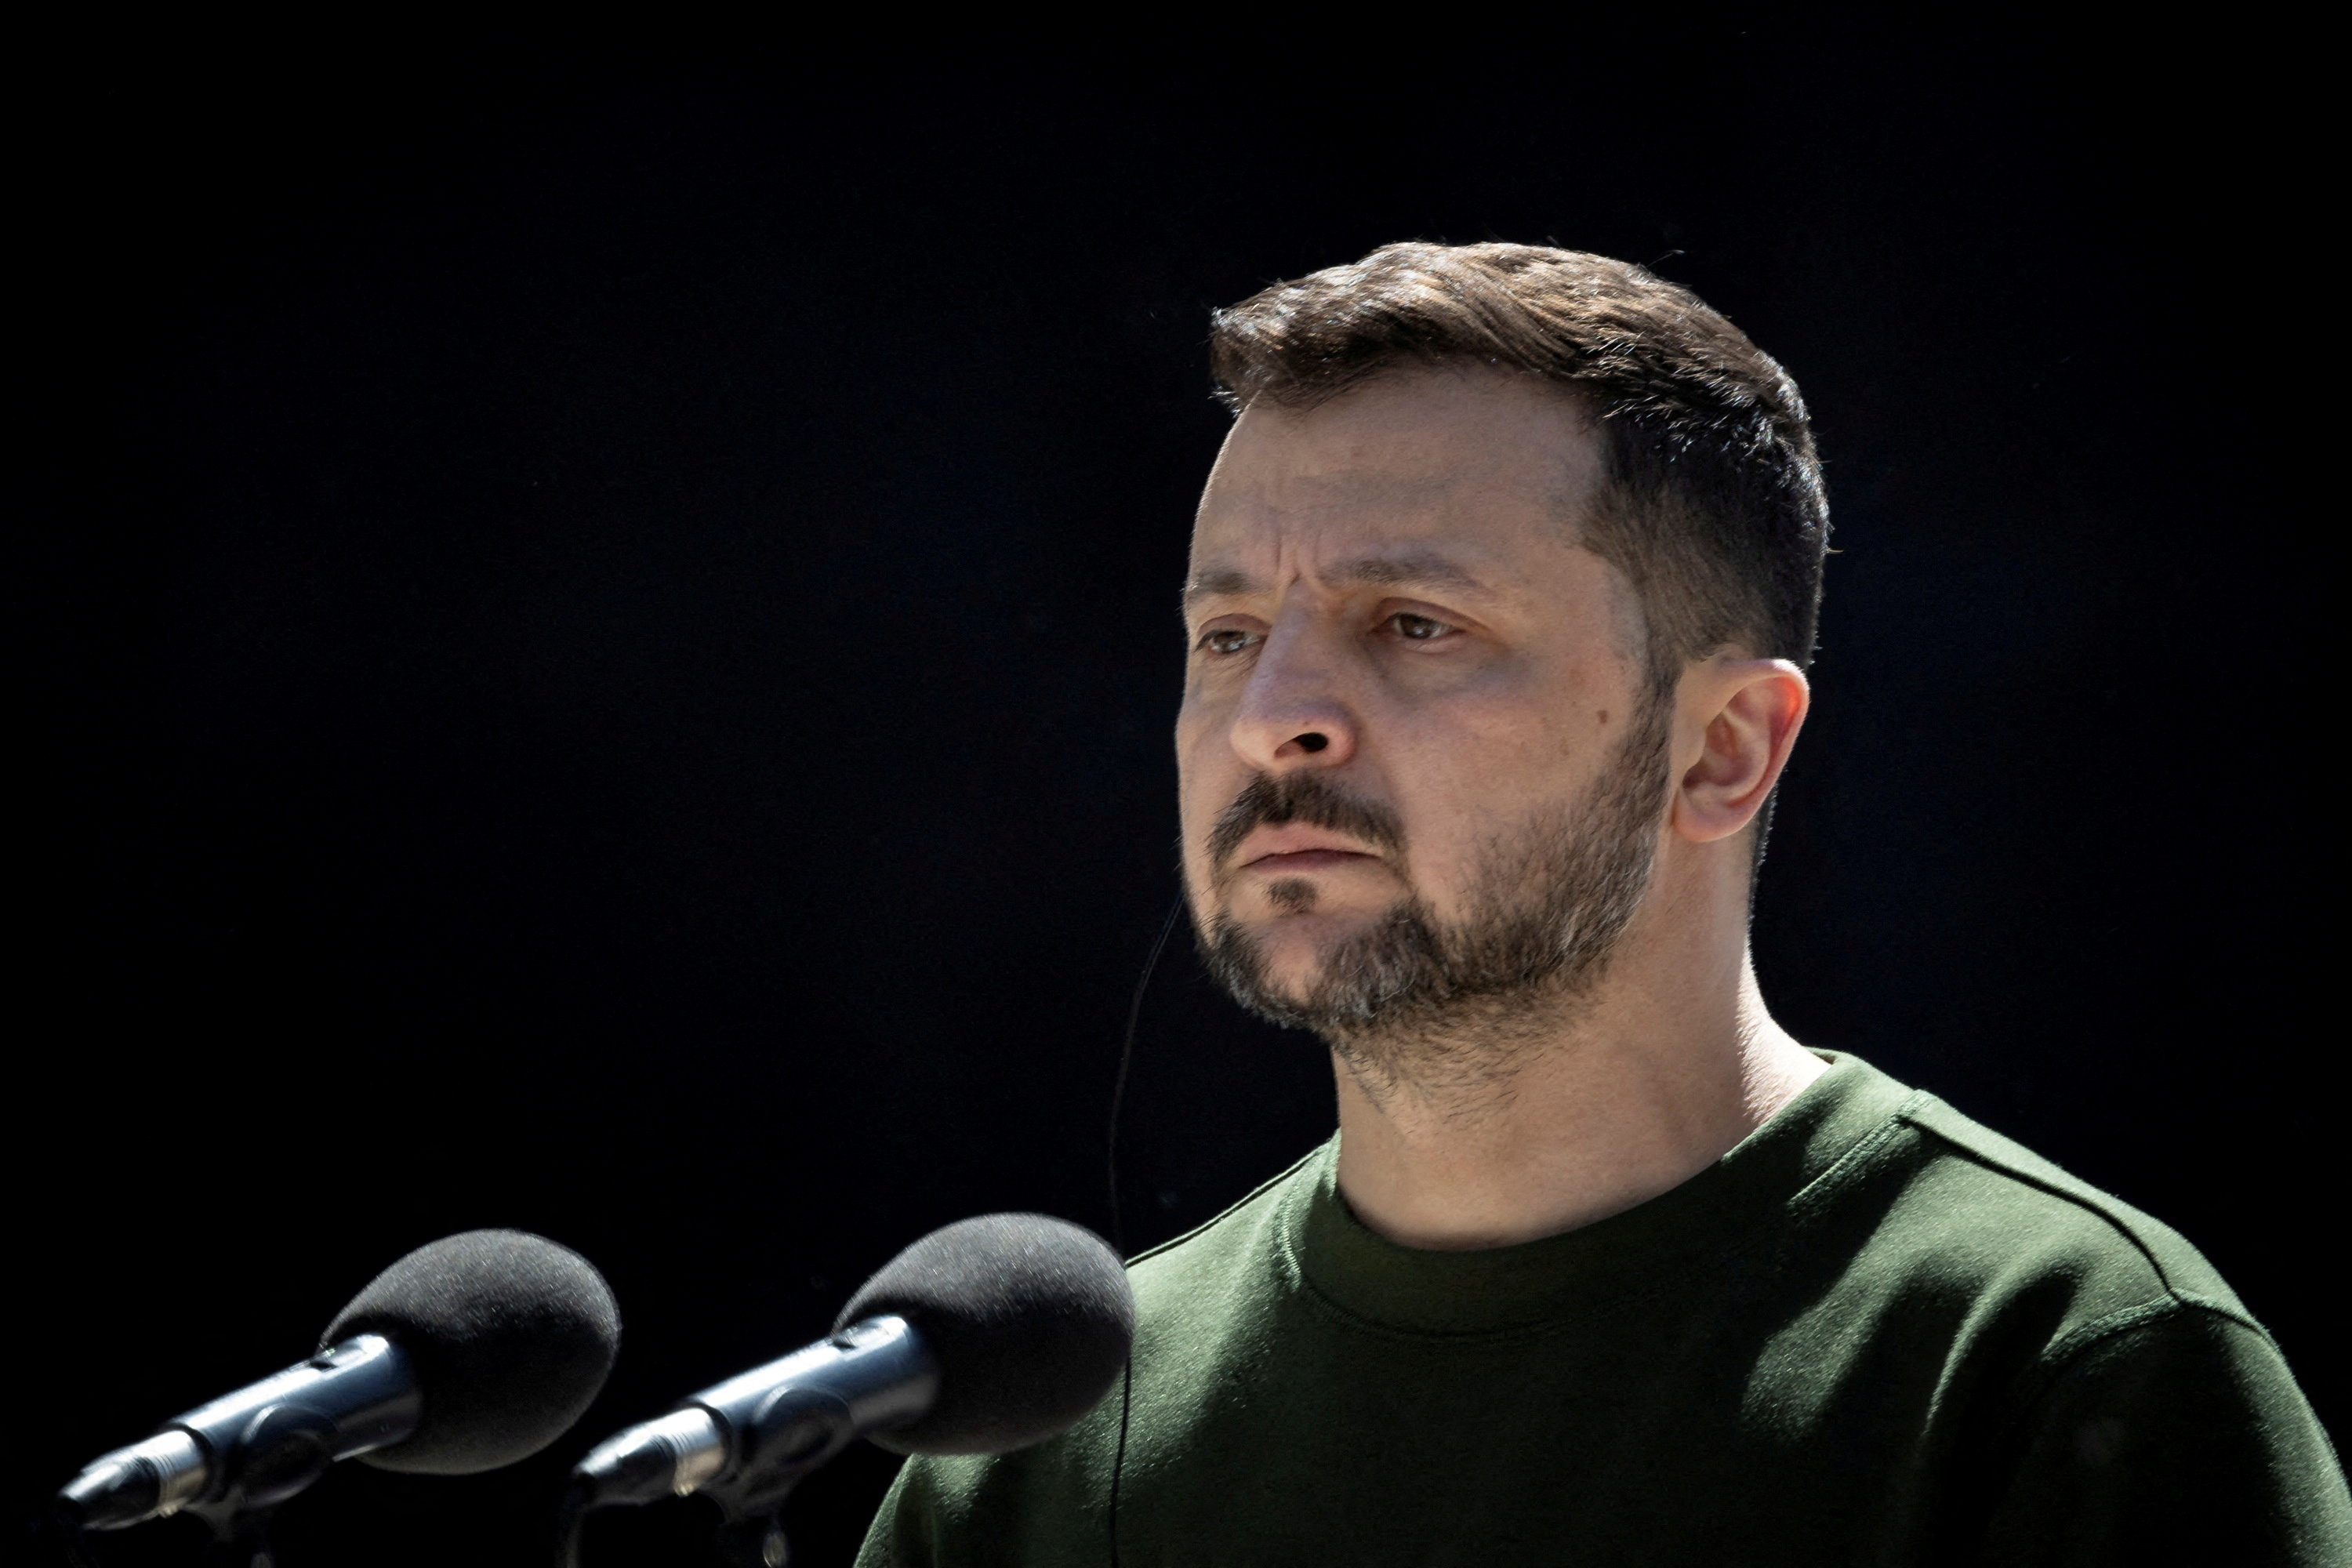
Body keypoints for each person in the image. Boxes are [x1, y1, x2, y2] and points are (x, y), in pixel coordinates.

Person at [855, 242, 2349, 1565]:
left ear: (1723, 749)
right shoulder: (1037, 1437)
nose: (1274, 717)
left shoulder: (2053, 1367)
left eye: (1416, 625)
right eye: (1229, 632)